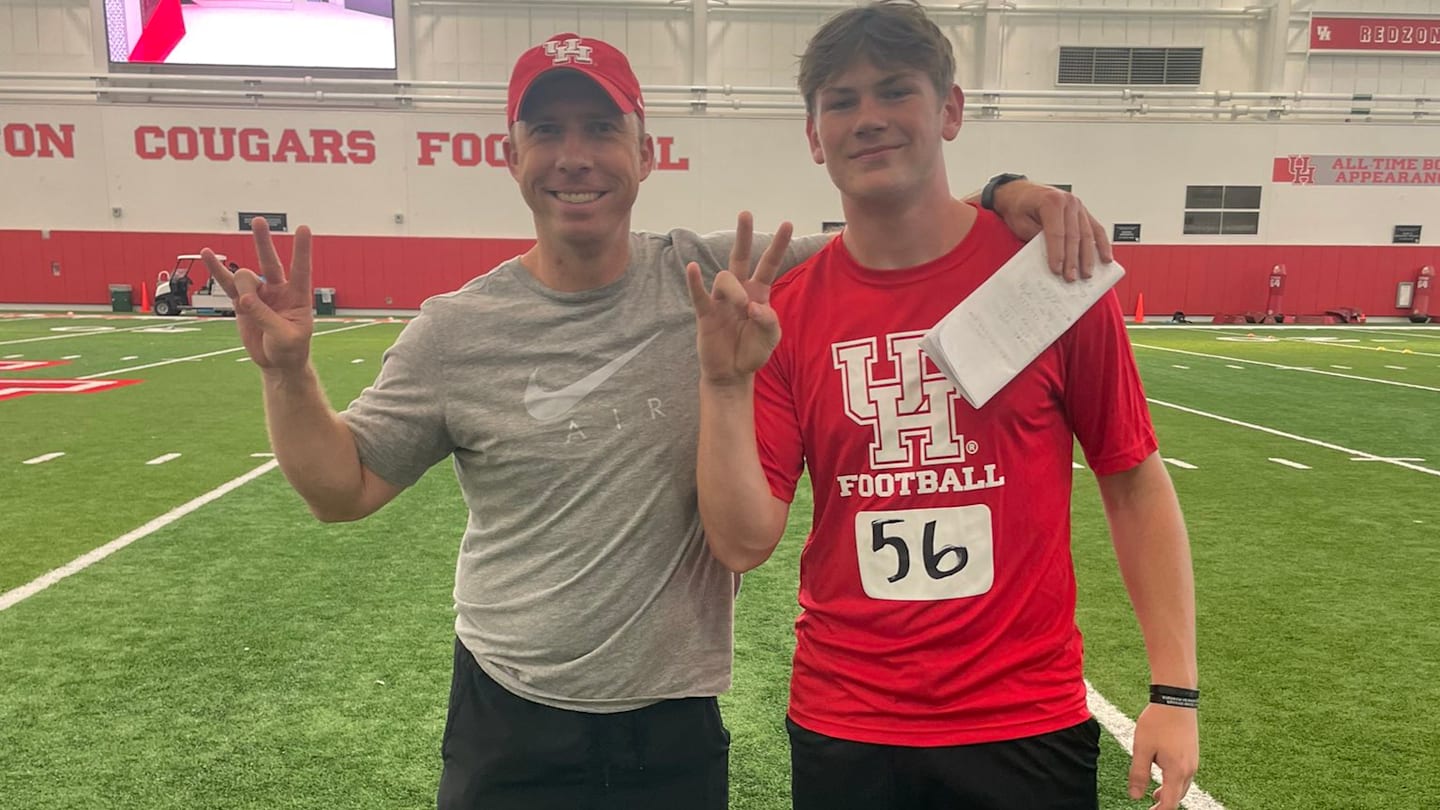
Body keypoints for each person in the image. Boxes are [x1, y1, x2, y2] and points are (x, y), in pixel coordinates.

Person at [202, 29, 1113, 810]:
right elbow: (343, 490)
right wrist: (288, 375)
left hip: (674, 724)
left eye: (602, 128)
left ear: (647, 153)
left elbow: (896, 224)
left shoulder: (719, 277)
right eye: (546, 131)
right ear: (509, 155)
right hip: (509, 714)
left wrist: (1011, 193)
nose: (575, 156)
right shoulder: (456, 330)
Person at [686, 3, 1199, 810]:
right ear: (814, 136)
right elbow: (744, 542)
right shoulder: (786, 312)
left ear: (950, 110)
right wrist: (723, 386)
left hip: (1024, 719)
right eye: (842, 101)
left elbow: (1131, 477)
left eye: (896, 90)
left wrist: (1175, 691)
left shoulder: (1049, 276)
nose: (869, 118)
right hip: (848, 722)